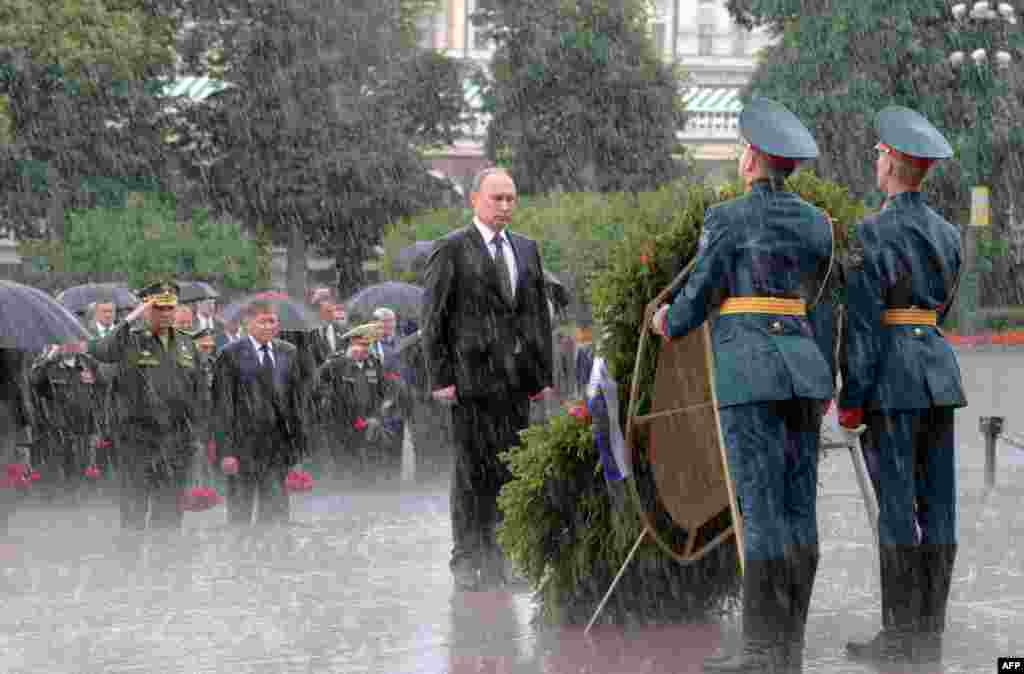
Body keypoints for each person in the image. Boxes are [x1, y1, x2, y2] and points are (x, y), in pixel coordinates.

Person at [651, 98, 835, 673]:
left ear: (752, 157)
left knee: (759, 512)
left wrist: (667, 320)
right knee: (799, 510)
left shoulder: (727, 219)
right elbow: (825, 306)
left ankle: (759, 653)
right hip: (804, 373)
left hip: (750, 371)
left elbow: (701, 292)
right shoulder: (818, 223)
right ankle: (790, 647)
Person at [838, 106, 965, 667]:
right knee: (938, 505)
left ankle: (898, 635)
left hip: (892, 380)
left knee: (896, 507)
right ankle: (929, 629)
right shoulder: (947, 232)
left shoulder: (869, 232)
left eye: (878, 154)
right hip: (938, 374)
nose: (875, 160)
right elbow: (943, 309)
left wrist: (851, 400)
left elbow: (863, 326)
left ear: (891, 163)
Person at [421, 166, 554, 591]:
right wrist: (440, 376)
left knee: (511, 471)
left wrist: (541, 375)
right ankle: (467, 557)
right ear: (475, 199)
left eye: (511, 198)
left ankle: (506, 556)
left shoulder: (528, 249)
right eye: (497, 198)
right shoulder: (452, 249)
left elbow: (535, 318)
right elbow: (434, 319)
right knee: (470, 472)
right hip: (468, 382)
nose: (505, 206)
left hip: (515, 382)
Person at [65, 281, 207, 531]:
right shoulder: (129, 340)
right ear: (146, 309)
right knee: (133, 511)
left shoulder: (187, 344)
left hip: (176, 440)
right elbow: (101, 350)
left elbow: (198, 393)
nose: (165, 314)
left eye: (170, 308)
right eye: (158, 308)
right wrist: (132, 318)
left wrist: (196, 435)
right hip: (137, 440)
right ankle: (130, 566)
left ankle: (165, 566)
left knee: (169, 514)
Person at [212, 302, 308, 525]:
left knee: (276, 513)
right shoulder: (230, 354)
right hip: (242, 445)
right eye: (262, 321)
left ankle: (272, 556)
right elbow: (222, 405)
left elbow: (295, 400)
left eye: (272, 321)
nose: (268, 326)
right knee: (240, 513)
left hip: (278, 446)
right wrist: (226, 451)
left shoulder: (288, 352)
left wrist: (298, 442)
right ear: (247, 323)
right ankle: (241, 555)